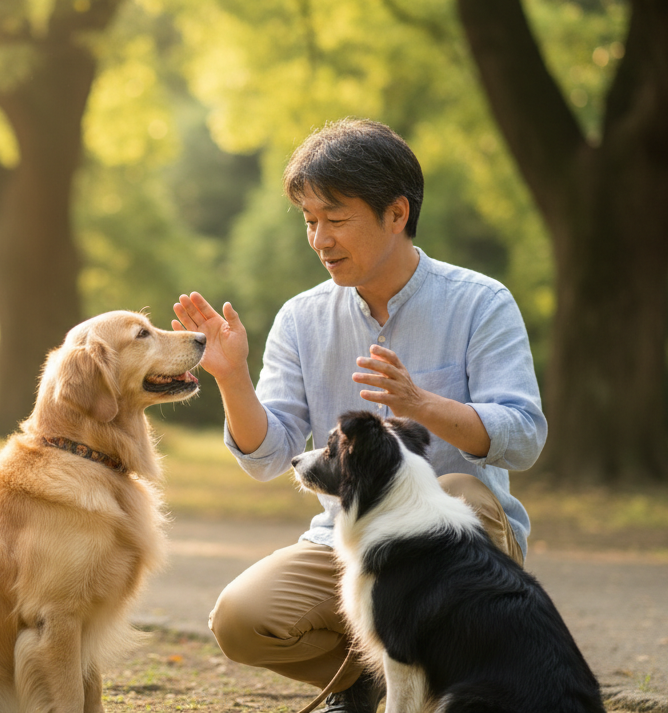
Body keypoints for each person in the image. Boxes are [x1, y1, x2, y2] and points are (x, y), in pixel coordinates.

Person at [171, 118, 546, 713]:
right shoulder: (300, 319)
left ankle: (448, 688)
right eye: (309, 221)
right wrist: (231, 376)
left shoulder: (480, 303)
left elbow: (523, 437)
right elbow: (268, 457)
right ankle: (365, 682)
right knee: (241, 619)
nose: (320, 239)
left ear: (396, 214)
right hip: (348, 544)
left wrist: (421, 404)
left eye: (336, 218)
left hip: (456, 542)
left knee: (459, 488)